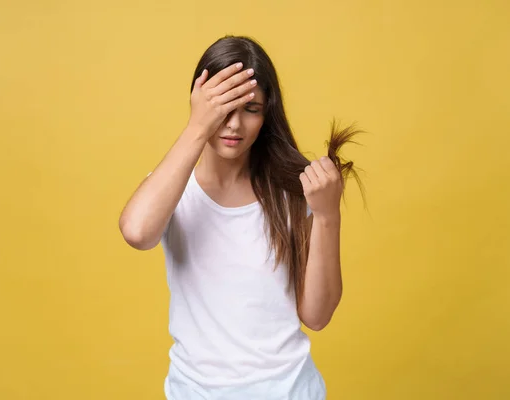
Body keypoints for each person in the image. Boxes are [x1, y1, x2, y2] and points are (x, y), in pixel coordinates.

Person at [119, 35, 362, 400]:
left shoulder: (293, 193)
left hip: (291, 391)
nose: (233, 124)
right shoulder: (173, 190)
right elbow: (137, 232)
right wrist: (198, 126)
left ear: (267, 115)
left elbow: (317, 315)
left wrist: (328, 217)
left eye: (251, 108)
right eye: (223, 107)